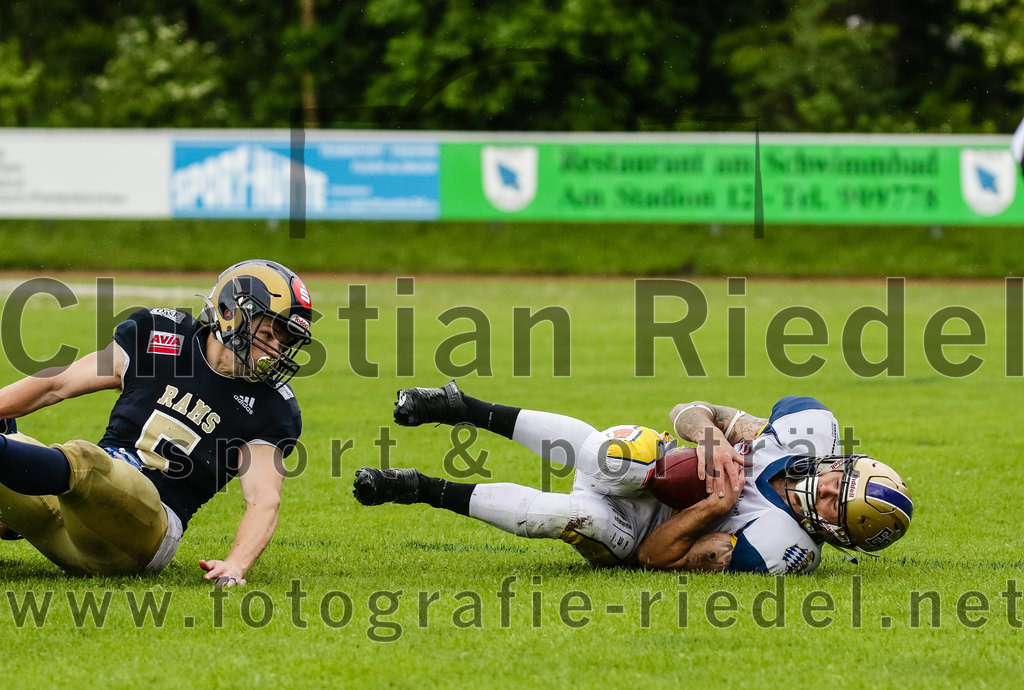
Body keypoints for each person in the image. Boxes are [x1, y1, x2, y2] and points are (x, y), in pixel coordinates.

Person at [353, 382, 913, 574]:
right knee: (621, 456)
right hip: (643, 467)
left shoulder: (781, 550)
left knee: (559, 517)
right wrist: (712, 437)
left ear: (838, 534)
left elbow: (655, 559)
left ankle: (417, 487)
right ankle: (461, 407)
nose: (828, 487)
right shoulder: (807, 429)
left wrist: (715, 508)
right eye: (845, 478)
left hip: (633, 528)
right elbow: (691, 409)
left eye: (839, 504)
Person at [0, 260, 313, 587]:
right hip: (72, 518)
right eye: (267, 333)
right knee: (12, 434)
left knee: (86, 461)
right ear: (229, 311)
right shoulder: (160, 335)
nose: (275, 351)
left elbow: (264, 498)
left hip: (144, 534)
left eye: (283, 341)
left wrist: (236, 564)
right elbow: (57, 384)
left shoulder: (272, 405)